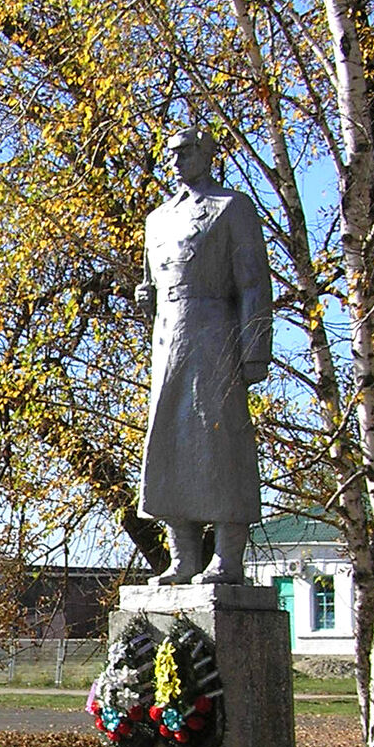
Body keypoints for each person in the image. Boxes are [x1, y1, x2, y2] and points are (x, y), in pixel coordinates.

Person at [135, 127, 272, 585]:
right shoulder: (157, 219)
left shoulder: (232, 208)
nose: (177, 158)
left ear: (209, 154)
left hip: (215, 336)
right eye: (172, 152)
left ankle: (227, 559)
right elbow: (154, 282)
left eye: (188, 150)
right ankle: (183, 558)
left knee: (220, 442)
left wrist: (255, 352)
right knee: (169, 442)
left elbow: (253, 283)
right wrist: (145, 299)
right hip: (168, 339)